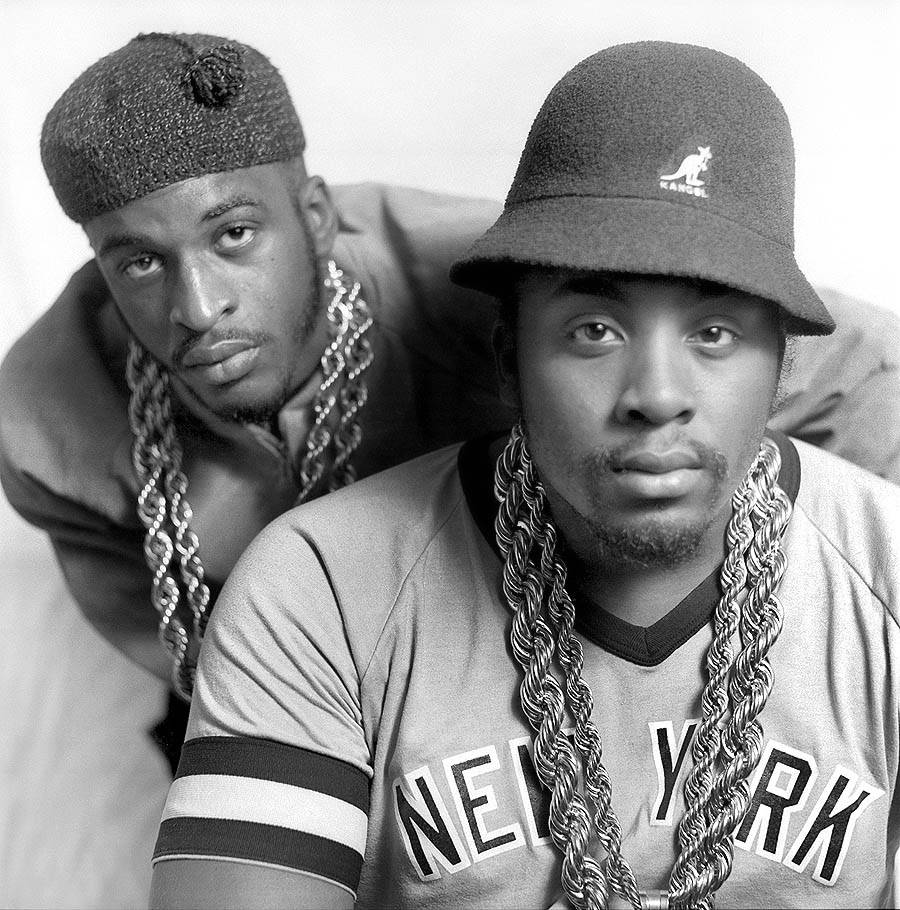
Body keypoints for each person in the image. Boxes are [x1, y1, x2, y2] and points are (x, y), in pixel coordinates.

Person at [1, 34, 897, 770]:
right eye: (140, 262)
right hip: (276, 695)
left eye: (234, 235)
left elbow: (855, 366)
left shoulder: (499, 288)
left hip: (539, 648)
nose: (199, 308)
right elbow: (175, 645)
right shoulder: (44, 425)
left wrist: (838, 621)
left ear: (315, 217)